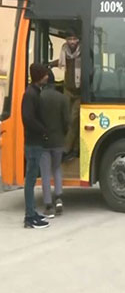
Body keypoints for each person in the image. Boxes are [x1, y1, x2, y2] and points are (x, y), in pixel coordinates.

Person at [22, 63, 50, 229]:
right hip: (33, 143)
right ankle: (29, 217)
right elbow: (28, 119)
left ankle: (32, 212)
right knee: (30, 180)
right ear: (39, 76)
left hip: (36, 142)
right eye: (45, 74)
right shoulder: (30, 95)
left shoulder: (34, 92)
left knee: (32, 180)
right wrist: (43, 130)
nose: (47, 76)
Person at [40, 69, 70, 217]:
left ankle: (48, 206)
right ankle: (58, 198)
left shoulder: (39, 98)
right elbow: (67, 122)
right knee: (57, 168)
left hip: (44, 141)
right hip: (59, 140)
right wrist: (63, 134)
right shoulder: (63, 98)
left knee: (45, 172)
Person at [51, 29, 81, 161]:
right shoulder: (64, 52)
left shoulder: (83, 53)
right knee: (66, 119)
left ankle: (66, 149)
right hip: (67, 89)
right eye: (70, 39)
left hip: (80, 91)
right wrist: (50, 64)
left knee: (74, 120)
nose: (72, 42)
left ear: (78, 40)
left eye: (74, 39)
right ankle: (74, 149)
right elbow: (61, 63)